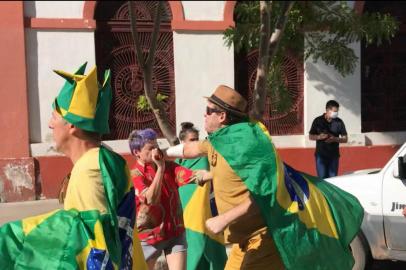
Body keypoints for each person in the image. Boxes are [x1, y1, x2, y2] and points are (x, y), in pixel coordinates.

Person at [165, 85, 364, 270]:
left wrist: (223, 219)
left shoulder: (247, 146)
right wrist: (162, 153)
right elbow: (191, 148)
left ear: (222, 116)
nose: (204, 115)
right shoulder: (219, 141)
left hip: (264, 237)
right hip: (243, 242)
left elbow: (266, 193)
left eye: (209, 111)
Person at [0, 63, 147, 269]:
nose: (51, 125)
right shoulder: (107, 160)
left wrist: (12, 240)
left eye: (54, 117)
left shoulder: (90, 171)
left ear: (71, 125)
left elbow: (97, 247)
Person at [129, 128, 211, 270]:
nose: (156, 150)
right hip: (148, 239)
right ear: (137, 152)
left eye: (156, 146)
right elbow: (151, 199)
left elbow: (195, 176)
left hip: (174, 233)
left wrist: (220, 173)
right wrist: (160, 169)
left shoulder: (169, 167)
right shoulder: (135, 174)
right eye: (150, 148)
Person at [176, 122, 227, 270]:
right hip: (185, 212)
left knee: (207, 246)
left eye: (197, 139)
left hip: (205, 210)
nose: (196, 143)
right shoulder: (178, 164)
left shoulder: (205, 157)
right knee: (192, 245)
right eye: (192, 140)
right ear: (182, 143)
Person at [309, 100, 348, 179]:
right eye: (334, 111)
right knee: (322, 179)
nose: (336, 113)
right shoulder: (318, 121)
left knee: (333, 179)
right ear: (327, 110)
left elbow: (345, 139)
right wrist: (319, 137)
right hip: (321, 155)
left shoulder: (339, 122)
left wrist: (335, 139)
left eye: (337, 111)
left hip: (334, 156)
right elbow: (310, 136)